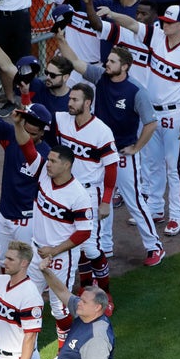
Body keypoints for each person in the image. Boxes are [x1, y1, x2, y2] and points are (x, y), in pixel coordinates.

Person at [57, 37, 164, 266]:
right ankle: (105, 246)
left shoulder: (136, 91)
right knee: (102, 200)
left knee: (134, 200)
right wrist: (60, 39)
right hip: (100, 153)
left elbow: (151, 123)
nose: (107, 63)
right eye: (108, 60)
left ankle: (154, 246)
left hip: (123, 154)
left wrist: (136, 148)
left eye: (112, 61)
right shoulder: (101, 77)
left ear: (124, 66)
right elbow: (76, 62)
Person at [104, 4, 180, 236]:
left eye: (169, 22)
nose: (165, 25)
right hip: (151, 112)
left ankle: (176, 216)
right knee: (152, 163)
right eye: (164, 21)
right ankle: (155, 207)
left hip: (175, 113)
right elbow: (132, 24)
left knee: (174, 166)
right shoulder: (156, 36)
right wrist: (112, 14)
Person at [13, 114, 93, 359]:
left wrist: (55, 251)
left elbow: (84, 232)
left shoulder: (78, 195)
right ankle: (26, 349)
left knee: (60, 306)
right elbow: (27, 147)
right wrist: (18, 124)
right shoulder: (43, 175)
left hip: (61, 256)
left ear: (67, 165)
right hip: (37, 250)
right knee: (30, 298)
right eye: (48, 160)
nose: (47, 164)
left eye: (53, 161)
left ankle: (64, 352)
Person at [48, 82, 117, 299]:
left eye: (74, 100)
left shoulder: (102, 131)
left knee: (92, 248)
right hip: (67, 191)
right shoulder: (61, 120)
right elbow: (37, 121)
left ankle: (105, 293)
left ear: (87, 103)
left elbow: (111, 167)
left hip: (90, 193)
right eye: (69, 99)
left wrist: (106, 201)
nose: (70, 103)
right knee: (76, 245)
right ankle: (86, 288)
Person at [0, 83, 52, 261]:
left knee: (26, 265)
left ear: (42, 133)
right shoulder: (12, 135)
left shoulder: (47, 156)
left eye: (32, 134)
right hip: (4, 214)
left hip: (27, 221)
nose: (27, 136)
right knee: (0, 261)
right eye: (26, 130)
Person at [0, 28, 72, 141]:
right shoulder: (38, 86)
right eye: (47, 73)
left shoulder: (71, 101)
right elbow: (7, 67)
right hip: (32, 142)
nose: (48, 77)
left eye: (53, 75)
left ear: (65, 77)